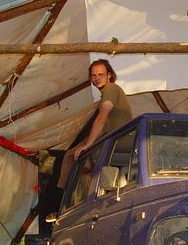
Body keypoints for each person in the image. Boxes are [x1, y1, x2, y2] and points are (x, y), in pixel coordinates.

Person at [57, 59, 132, 188]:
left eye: (100, 75)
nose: (97, 78)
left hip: (119, 140)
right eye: (94, 75)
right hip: (115, 138)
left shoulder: (111, 88)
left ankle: (68, 193)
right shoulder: (107, 93)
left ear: (109, 75)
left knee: (71, 156)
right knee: (74, 153)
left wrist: (87, 145)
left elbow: (102, 117)